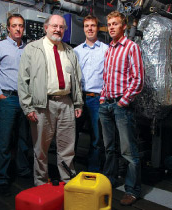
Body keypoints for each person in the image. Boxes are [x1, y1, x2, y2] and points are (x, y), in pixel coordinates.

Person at [18, 14, 83, 186]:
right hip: (42, 104)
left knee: (67, 148)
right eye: (54, 26)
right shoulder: (33, 49)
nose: (58, 30)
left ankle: (67, 181)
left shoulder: (69, 51)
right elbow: (23, 80)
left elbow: (76, 79)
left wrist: (78, 102)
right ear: (46, 27)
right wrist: (28, 107)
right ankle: (40, 184)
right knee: (41, 149)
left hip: (66, 103)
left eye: (61, 27)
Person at [99, 11, 144, 206]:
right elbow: (107, 78)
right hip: (106, 104)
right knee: (109, 148)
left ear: (123, 26)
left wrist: (122, 102)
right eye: (109, 24)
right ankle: (109, 180)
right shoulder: (109, 49)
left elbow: (138, 79)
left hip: (121, 106)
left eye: (115, 24)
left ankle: (132, 191)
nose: (111, 27)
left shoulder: (131, 47)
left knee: (128, 152)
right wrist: (102, 98)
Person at [0, 14, 31, 196]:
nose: (18, 29)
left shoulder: (28, 49)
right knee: (3, 142)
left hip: (25, 100)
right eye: (14, 26)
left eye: (20, 26)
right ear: (8, 28)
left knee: (23, 140)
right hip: (8, 99)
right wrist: (0, 95)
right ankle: (1, 178)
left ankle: (23, 170)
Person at [74, 15, 108, 172]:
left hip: (97, 99)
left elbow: (109, 75)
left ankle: (93, 171)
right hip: (79, 98)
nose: (90, 28)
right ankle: (69, 169)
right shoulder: (76, 51)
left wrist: (104, 97)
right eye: (87, 26)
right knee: (73, 134)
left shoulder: (106, 50)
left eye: (93, 25)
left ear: (97, 28)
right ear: (83, 29)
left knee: (96, 138)